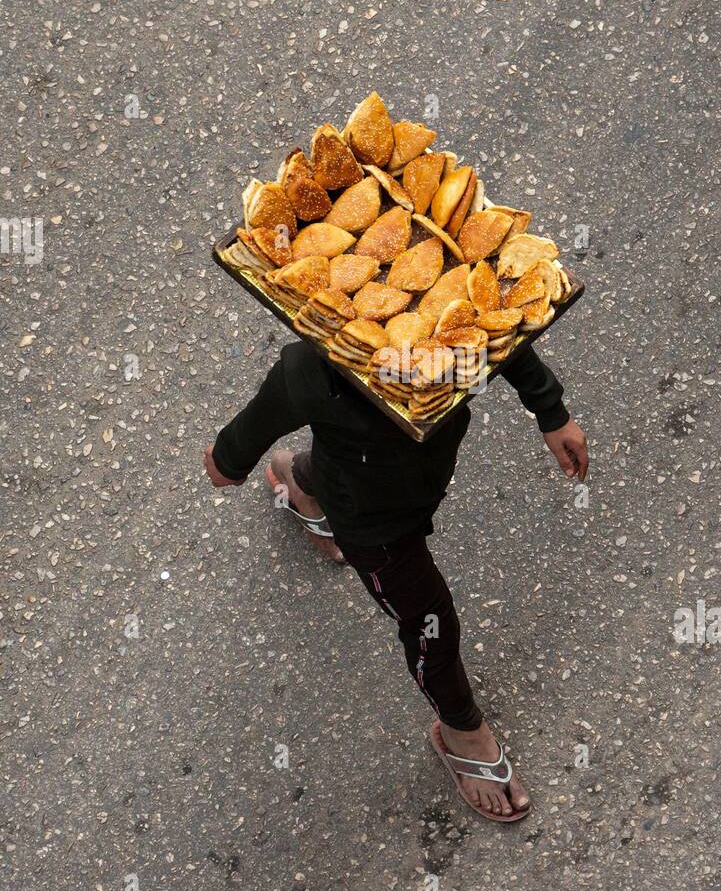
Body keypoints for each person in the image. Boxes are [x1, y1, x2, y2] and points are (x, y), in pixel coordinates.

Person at [203, 339, 588, 822]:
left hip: (417, 469)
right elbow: (223, 468)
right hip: (375, 527)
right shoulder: (308, 371)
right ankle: (461, 731)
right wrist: (226, 458)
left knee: (346, 453)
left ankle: (299, 480)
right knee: (429, 618)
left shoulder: (446, 324)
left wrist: (550, 411)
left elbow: (497, 336)